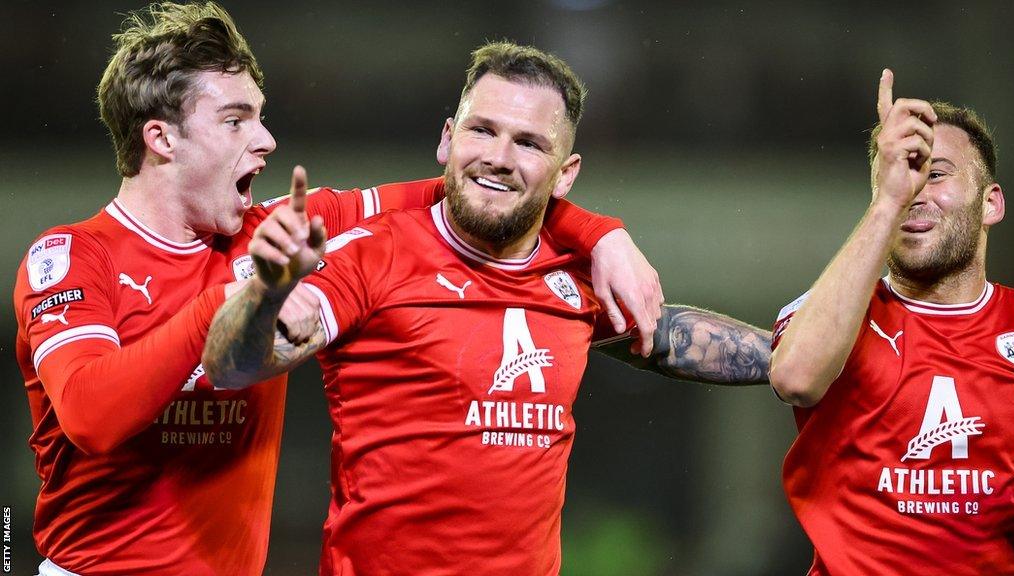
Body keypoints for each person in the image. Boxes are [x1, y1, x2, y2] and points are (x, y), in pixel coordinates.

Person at [11, 4, 664, 576]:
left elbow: (476, 187)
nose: (265, 140)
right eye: (237, 121)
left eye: (261, 118)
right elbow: (93, 418)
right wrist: (231, 299)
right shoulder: (71, 257)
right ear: (161, 137)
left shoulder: (277, 230)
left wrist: (603, 234)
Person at [203, 41, 772, 575]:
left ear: (565, 174)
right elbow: (234, 367)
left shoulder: (574, 274)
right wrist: (264, 293)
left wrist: (801, 355)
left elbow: (667, 336)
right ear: (448, 140)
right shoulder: (372, 257)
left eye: (528, 143)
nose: (499, 157)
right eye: (483, 131)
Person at [770, 69, 1014, 574]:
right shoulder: (835, 315)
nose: (915, 192)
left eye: (936, 173)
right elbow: (795, 377)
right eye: (900, 173)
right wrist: (887, 199)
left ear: (991, 203)